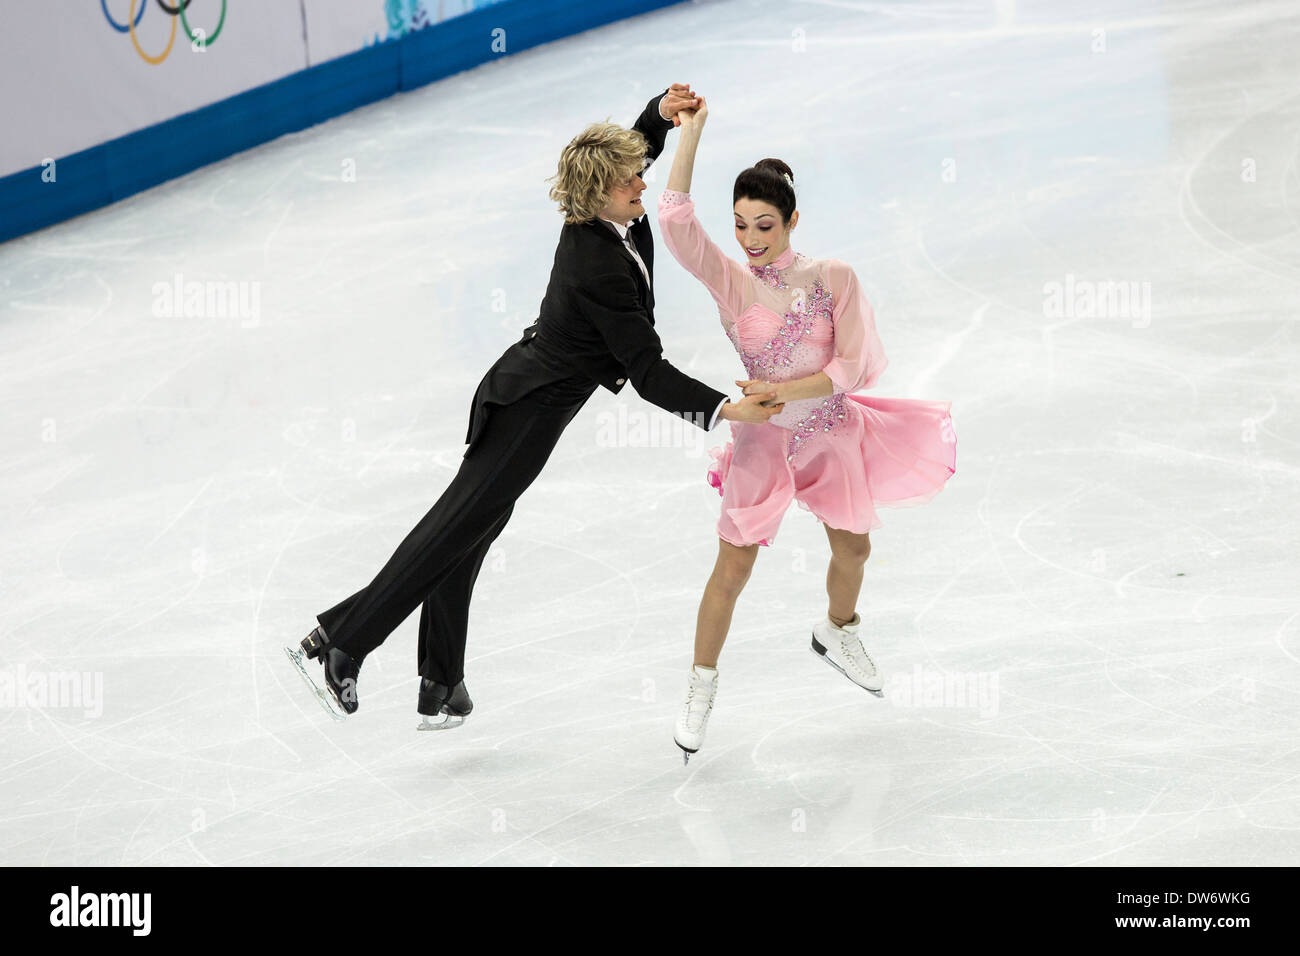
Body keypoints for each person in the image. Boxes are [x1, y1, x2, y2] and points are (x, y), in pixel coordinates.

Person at [284, 84, 783, 728]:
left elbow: (631, 153)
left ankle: (435, 679)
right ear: (598, 192)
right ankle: (347, 646)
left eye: (638, 172)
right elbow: (646, 372)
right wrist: (721, 409)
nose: (640, 183)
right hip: (527, 409)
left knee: (469, 531)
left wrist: (658, 112)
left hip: (530, 400)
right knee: (452, 532)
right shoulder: (595, 263)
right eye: (629, 180)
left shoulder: (605, 212)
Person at [656, 98, 957, 761]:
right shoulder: (732, 284)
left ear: (793, 219)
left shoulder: (832, 278)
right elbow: (676, 224)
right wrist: (693, 134)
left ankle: (838, 630)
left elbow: (850, 365)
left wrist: (786, 390)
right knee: (731, 569)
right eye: (739, 226)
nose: (751, 239)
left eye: (764, 224)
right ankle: (700, 687)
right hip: (762, 444)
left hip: (829, 430)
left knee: (854, 552)